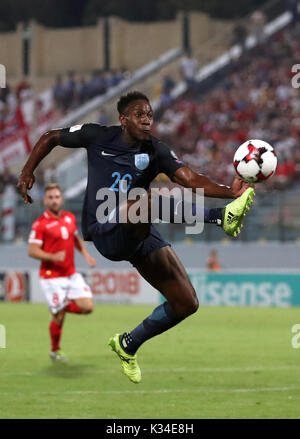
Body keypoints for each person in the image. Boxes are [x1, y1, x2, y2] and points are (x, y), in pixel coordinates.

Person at [17, 91, 255, 383]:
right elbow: (50, 136)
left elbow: (188, 179)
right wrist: (28, 170)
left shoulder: (156, 150)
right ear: (123, 119)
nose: (147, 121)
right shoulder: (97, 136)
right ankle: (220, 218)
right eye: (140, 115)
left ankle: (128, 344)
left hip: (137, 226)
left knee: (186, 303)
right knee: (147, 200)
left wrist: (230, 191)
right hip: (104, 231)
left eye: (150, 115)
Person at [28, 183, 96, 361]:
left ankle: (59, 305)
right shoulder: (40, 224)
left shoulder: (69, 217)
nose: (54, 200)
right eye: (50, 197)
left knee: (88, 307)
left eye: (57, 197)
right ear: (45, 201)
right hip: (51, 277)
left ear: (61, 199)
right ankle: (55, 350)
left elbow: (74, 238)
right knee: (58, 316)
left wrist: (86, 255)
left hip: (70, 273)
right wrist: (52, 256)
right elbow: (32, 251)